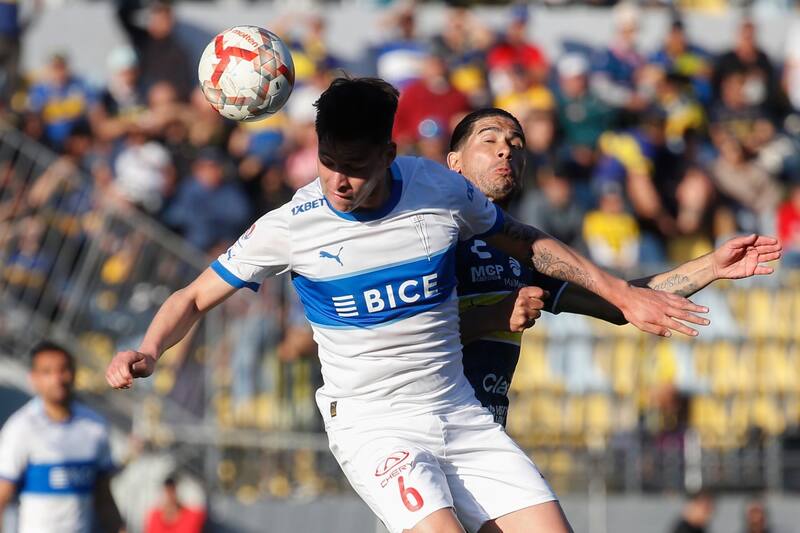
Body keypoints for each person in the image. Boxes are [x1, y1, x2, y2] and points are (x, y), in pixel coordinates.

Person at [107, 77, 713, 533]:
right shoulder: (291, 225)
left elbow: (527, 241)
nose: (339, 182)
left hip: (460, 415)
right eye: (328, 163)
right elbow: (193, 295)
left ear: (389, 154)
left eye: (356, 166)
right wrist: (149, 347)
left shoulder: (438, 191)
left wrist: (622, 291)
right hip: (373, 425)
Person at [446, 107, 782, 426]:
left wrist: (712, 266)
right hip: (423, 426)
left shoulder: (523, 255)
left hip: (483, 429)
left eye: (515, 144)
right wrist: (493, 316)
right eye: (489, 140)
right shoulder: (434, 234)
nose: (505, 150)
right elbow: (400, 335)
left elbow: (620, 303)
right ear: (454, 163)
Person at [0, 342, 124, 533]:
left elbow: (104, 497)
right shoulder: (20, 429)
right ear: (34, 379)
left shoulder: (95, 427)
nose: (58, 378)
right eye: (47, 372)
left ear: (74, 373)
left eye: (63, 370)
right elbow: (2, 495)